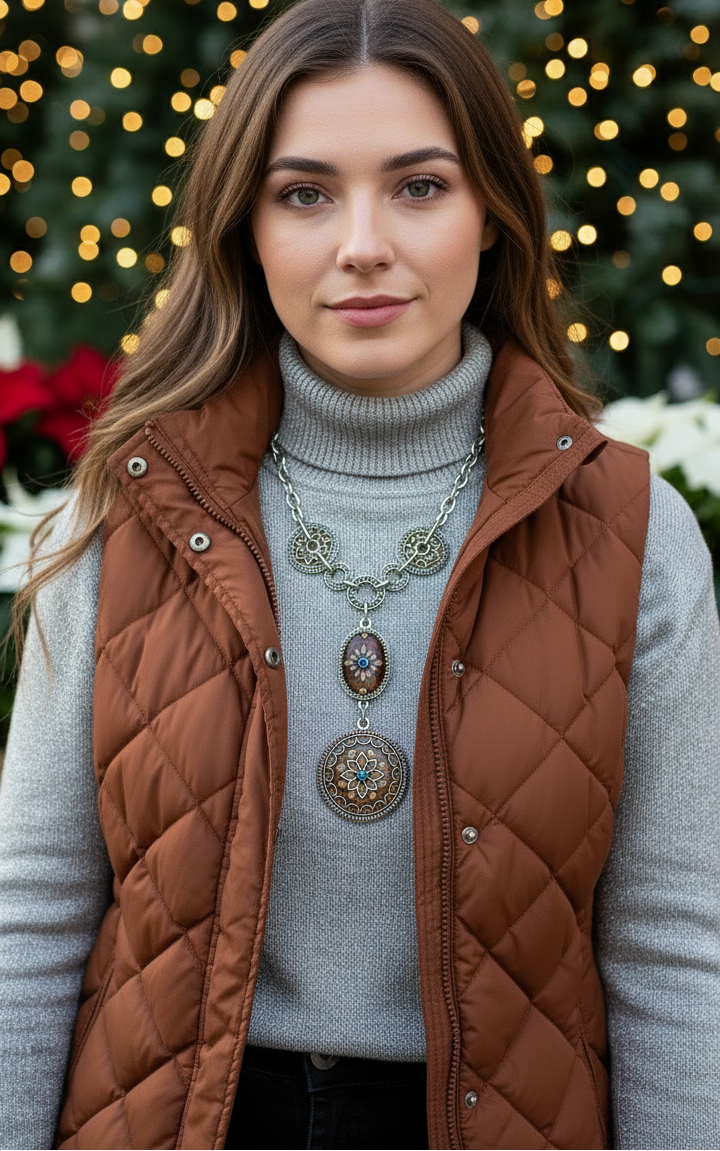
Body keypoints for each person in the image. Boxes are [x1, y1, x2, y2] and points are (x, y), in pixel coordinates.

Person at [1, 0, 719, 1148]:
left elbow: (672, 944)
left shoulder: (633, 529)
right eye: (306, 193)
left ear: (493, 214)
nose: (361, 243)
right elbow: (29, 919)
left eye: (420, 186)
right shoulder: (135, 508)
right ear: (246, 226)